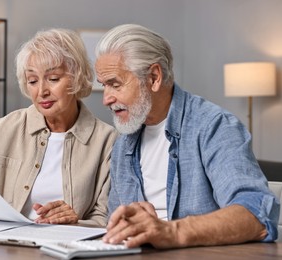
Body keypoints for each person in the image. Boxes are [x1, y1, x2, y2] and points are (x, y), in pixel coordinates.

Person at [94, 24, 280, 248]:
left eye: (115, 84)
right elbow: (115, 223)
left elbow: (256, 213)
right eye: (104, 86)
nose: (106, 99)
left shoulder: (214, 126)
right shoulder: (124, 140)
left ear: (154, 77)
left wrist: (171, 232)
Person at [0, 28, 117, 227]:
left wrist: (75, 222)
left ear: (77, 77)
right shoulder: (5, 128)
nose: (41, 91)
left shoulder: (106, 140)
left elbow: (105, 217)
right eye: (32, 81)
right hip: (1, 248)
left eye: (53, 79)